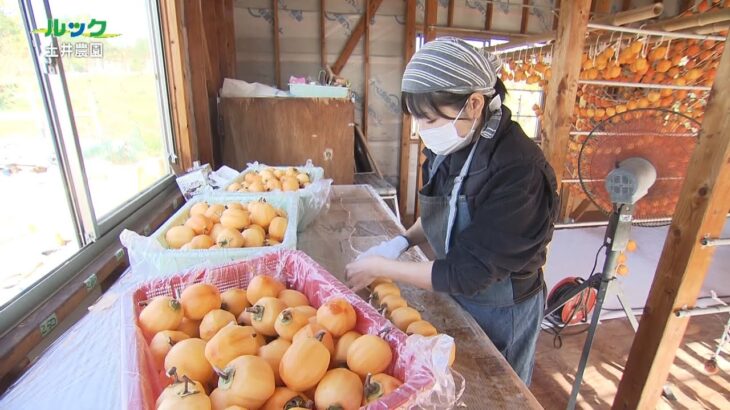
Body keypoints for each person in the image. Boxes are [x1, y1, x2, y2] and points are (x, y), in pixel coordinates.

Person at [345, 37, 559, 385]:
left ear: (474, 103)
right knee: (455, 381)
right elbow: (442, 213)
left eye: (428, 119)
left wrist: (382, 267)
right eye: (417, 118)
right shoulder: (457, 141)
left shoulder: (519, 171)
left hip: (500, 307)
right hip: (455, 288)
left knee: (495, 388)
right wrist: (399, 244)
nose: (422, 129)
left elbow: (469, 273)